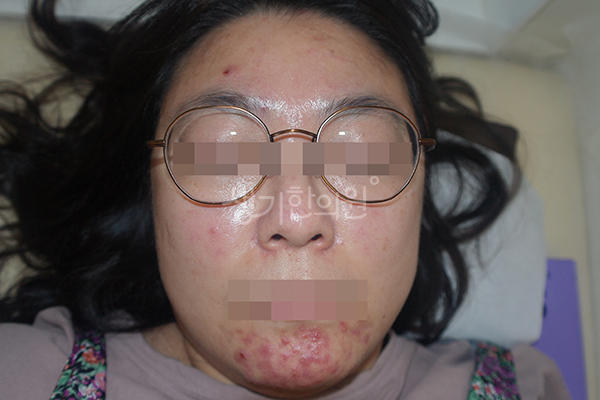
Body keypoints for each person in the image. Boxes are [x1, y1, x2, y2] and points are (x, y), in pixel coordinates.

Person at [0, 0, 570, 399]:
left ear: (421, 186)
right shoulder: (22, 375)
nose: (296, 218)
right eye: (223, 155)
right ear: (151, 195)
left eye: (361, 154)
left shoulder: (524, 387)